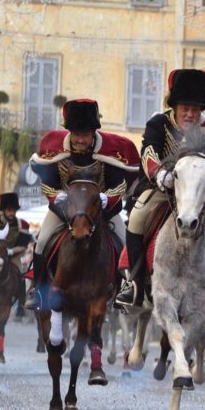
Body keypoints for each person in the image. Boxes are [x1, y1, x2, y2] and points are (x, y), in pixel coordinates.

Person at [115, 70, 205, 318]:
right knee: (137, 218)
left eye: (195, 109)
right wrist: (160, 174)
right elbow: (148, 152)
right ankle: (134, 284)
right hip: (163, 189)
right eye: (185, 108)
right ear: (175, 106)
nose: (190, 114)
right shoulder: (158, 124)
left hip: (200, 193)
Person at [25, 99, 140, 346]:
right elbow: (47, 182)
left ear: (93, 133)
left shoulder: (112, 153)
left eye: (85, 135)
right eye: (76, 134)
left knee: (124, 243)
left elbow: (120, 184)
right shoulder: (54, 151)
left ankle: (125, 290)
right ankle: (37, 288)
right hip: (64, 211)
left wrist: (105, 199)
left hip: (104, 212)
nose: (80, 140)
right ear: (69, 132)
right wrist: (58, 198)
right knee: (42, 241)